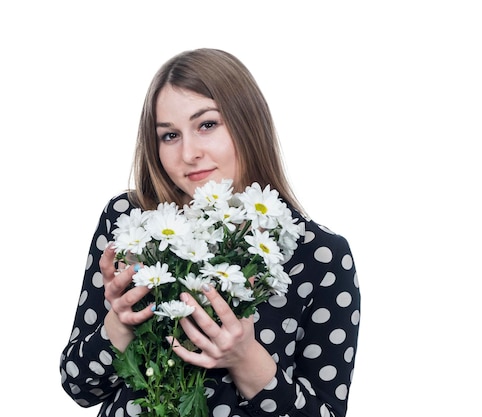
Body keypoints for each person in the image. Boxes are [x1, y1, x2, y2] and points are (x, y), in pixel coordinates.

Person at [60, 48, 360, 417]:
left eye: (207, 125)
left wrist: (245, 358)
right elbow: (80, 386)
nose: (189, 153)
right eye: (169, 135)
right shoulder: (130, 221)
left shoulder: (319, 255)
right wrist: (119, 324)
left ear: (248, 124)